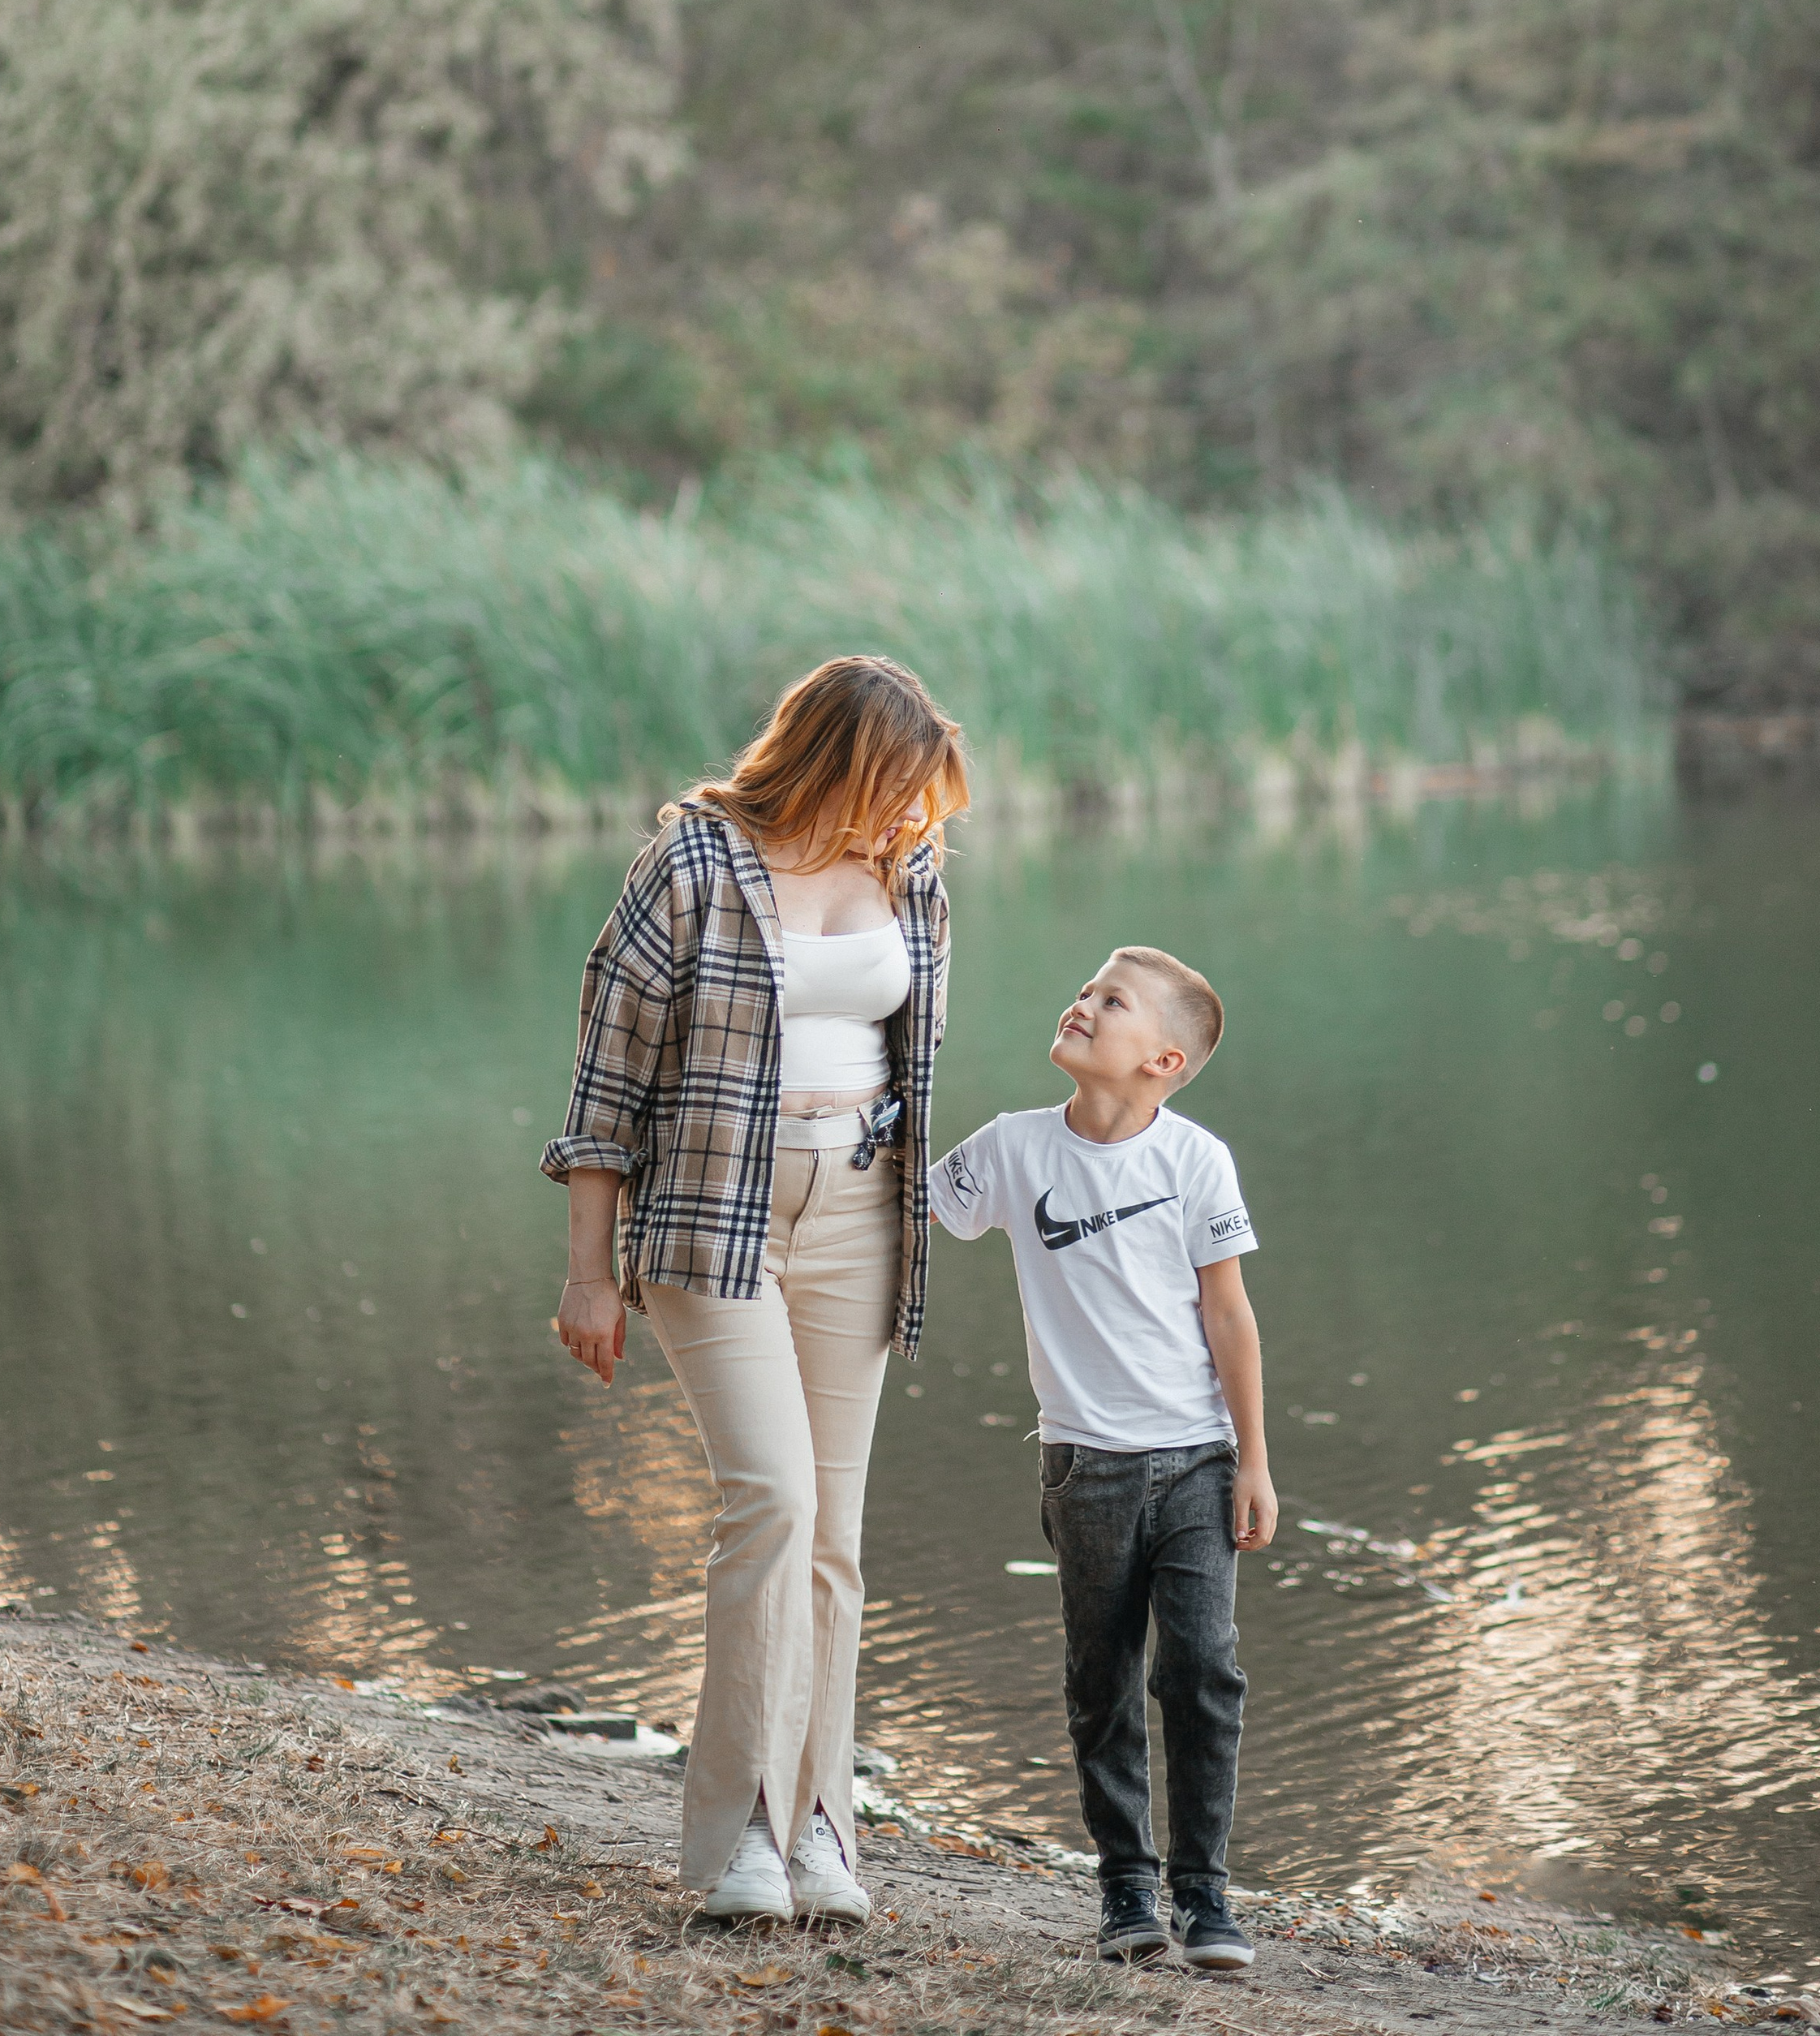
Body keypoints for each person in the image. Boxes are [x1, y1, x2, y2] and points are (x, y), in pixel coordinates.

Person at [543, 655, 968, 1927]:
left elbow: (916, 1051)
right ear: (838, 761)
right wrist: (587, 1270)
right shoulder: (692, 863)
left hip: (860, 1206)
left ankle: (822, 1824)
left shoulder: (913, 872)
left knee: (834, 1541)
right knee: (771, 1505)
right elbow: (605, 1082)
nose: (914, 815)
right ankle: (735, 1837)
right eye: (897, 786)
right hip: (715, 1213)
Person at [930, 944, 1276, 1973]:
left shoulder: (1195, 1161)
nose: (1079, 1004)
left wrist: (1254, 1459)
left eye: (1109, 1001)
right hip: (1084, 1468)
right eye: (1081, 988)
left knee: (1203, 1669)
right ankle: (1126, 1888)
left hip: (1198, 1460)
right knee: (1101, 1675)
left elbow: (1229, 1314)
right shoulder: (1010, 1148)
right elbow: (908, 1207)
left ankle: (1205, 1896)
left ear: (1162, 1060)